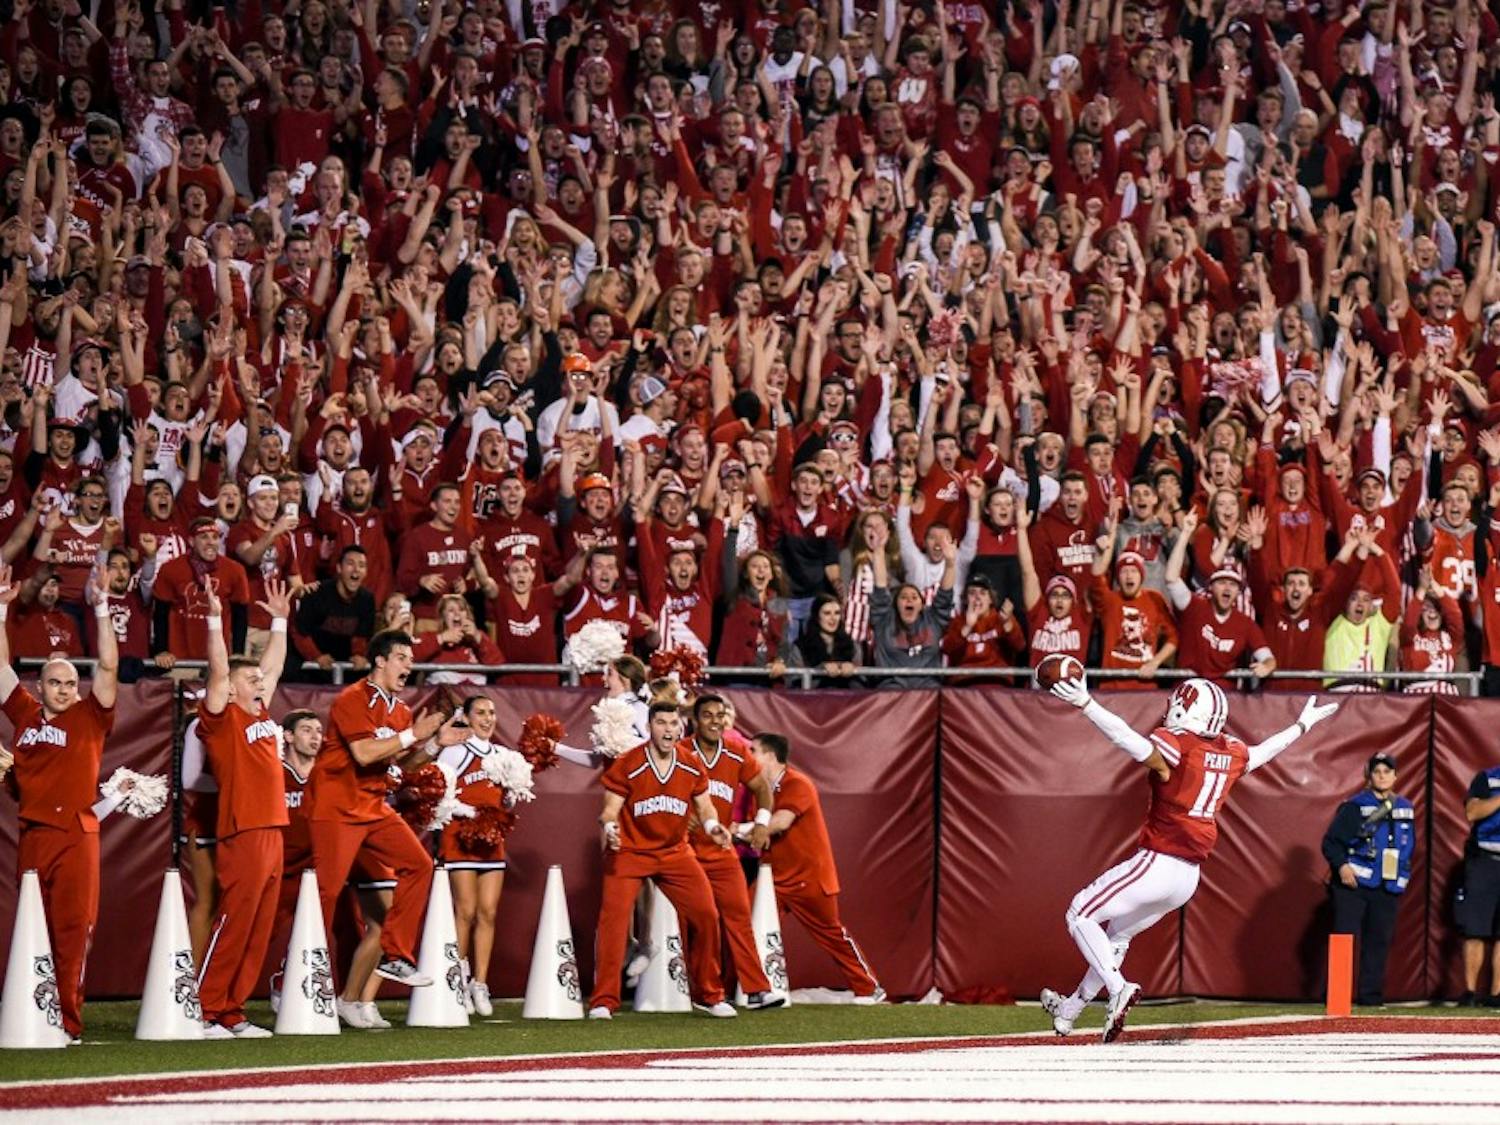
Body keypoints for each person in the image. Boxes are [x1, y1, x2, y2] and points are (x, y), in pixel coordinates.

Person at [1042, 672, 1337, 1042]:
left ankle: (1118, 988)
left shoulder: (1178, 743)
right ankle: (1070, 1011)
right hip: (1188, 878)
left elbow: (1128, 741)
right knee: (1116, 936)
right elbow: (1263, 754)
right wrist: (1301, 726)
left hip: (1158, 860)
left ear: (1186, 709)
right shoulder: (1229, 750)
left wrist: (1087, 704)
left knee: (1079, 912)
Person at [306, 628, 465, 990]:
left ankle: (396, 956)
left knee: (420, 865)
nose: (409, 666)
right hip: (337, 807)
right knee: (325, 895)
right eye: (401, 658)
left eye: (411, 659)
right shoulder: (352, 698)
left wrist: (435, 744)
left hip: (373, 806)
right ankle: (293, 981)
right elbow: (363, 754)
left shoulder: (402, 709)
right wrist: (414, 734)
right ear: (380, 660)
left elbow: (403, 765)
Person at [0, 559, 119, 1043]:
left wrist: (103, 608)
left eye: (72, 683)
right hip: (33, 834)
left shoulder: (91, 717)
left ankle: (67, 1022)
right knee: (32, 927)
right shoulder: (26, 714)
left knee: (72, 931)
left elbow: (109, 666)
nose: (66, 690)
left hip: (75, 834)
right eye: (57, 682)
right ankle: (29, 1012)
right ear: (40, 686)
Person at [590, 701, 737, 1020]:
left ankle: (709, 994)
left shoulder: (690, 764)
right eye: (661, 723)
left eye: (673, 723)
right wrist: (611, 828)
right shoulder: (629, 762)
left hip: (674, 853)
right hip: (629, 852)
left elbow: (705, 806)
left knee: (706, 915)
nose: (668, 729)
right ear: (649, 727)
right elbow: (609, 810)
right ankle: (604, 1000)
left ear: (680, 728)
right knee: (613, 923)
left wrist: (713, 827)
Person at [195, 577, 293, 1038]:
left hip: (274, 827)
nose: (259, 682)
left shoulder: (260, 713)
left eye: (258, 679)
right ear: (230, 688)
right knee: (235, 921)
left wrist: (279, 621)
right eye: (248, 679)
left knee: (259, 927)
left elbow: (271, 666)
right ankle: (207, 1007)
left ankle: (233, 1010)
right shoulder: (222, 718)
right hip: (244, 829)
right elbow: (217, 671)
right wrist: (215, 618)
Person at [746, 732, 884, 1003]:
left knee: (831, 934)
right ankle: (743, 989)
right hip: (772, 875)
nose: (748, 756)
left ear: (770, 756)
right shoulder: (760, 790)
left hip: (807, 878)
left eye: (753, 751)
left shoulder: (798, 783)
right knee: (744, 926)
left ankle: (869, 987)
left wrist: (740, 830)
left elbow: (780, 823)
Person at [681, 694, 785, 1010]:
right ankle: (706, 993)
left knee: (739, 915)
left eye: (720, 715)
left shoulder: (737, 752)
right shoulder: (681, 752)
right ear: (695, 721)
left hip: (721, 848)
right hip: (684, 851)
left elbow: (763, 788)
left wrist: (763, 823)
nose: (715, 721)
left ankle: (756, 989)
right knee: (705, 921)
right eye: (708, 715)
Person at [435, 696, 513, 1017]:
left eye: (492, 712)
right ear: (466, 717)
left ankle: (479, 983)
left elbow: (510, 800)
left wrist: (506, 805)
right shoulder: (454, 752)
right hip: (460, 838)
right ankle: (459, 978)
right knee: (464, 911)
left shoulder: (504, 755)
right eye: (480, 713)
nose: (487, 718)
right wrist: (470, 813)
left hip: (492, 841)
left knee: (488, 913)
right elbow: (438, 793)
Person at [1321, 753, 1414, 1008]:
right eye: (1377, 772)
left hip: (1387, 885)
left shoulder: (1406, 807)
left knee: (1379, 941)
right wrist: (1342, 868)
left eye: (1387, 771)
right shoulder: (1355, 806)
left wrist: (1402, 876)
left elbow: (1408, 846)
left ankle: (1370, 997)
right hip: (1354, 884)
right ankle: (1338, 997)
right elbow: (1331, 842)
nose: (1382, 776)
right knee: (1345, 937)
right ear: (1369, 776)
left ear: (1396, 776)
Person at [1457, 758, 1500, 1006]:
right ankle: (1470, 992)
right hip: (1484, 860)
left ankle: (1497, 994)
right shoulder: (1487, 778)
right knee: (1475, 929)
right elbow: (1472, 812)